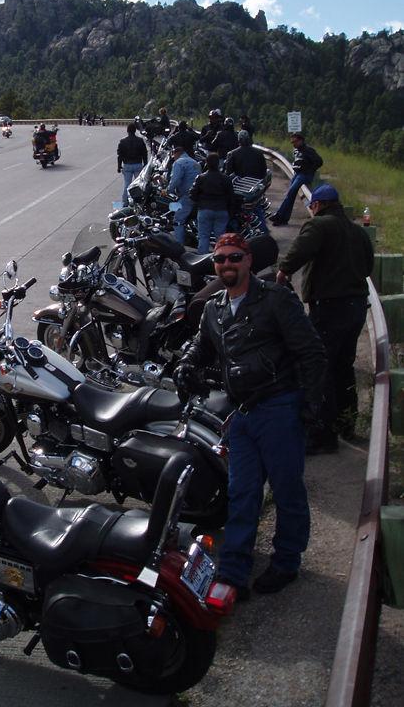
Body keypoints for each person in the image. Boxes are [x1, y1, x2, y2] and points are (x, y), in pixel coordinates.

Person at [175, 233, 327, 599]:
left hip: (279, 407)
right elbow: (203, 345)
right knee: (241, 494)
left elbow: (312, 353)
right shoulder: (215, 308)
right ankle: (233, 572)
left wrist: (310, 405)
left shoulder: (276, 299)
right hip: (242, 414)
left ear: (248, 261)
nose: (227, 264)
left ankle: (286, 562)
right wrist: (186, 364)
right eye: (220, 259)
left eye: (234, 257)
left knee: (287, 490)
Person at [276, 184, 374, 454]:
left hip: (329, 308)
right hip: (355, 308)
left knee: (322, 368)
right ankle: (347, 423)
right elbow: (368, 266)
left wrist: (283, 272)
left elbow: (299, 251)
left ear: (317, 205)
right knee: (345, 366)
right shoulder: (358, 232)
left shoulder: (319, 226)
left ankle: (322, 433)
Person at [271, 133, 323, 226]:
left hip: (304, 175)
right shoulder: (297, 150)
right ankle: (284, 217)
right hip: (298, 174)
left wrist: (309, 170)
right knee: (290, 194)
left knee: (291, 193)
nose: (294, 144)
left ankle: (280, 215)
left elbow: (319, 161)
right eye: (292, 143)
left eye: (296, 142)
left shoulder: (308, 150)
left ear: (301, 140)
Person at [225, 129, 270, 234]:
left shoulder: (233, 153)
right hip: (256, 185)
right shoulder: (258, 153)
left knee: (240, 211)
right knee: (258, 209)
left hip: (241, 188)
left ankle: (246, 232)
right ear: (249, 139)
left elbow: (228, 173)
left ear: (239, 140)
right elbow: (264, 170)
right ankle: (264, 231)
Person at [189, 152, 234, 254]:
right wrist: (230, 211)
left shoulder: (201, 178)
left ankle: (202, 259)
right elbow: (231, 197)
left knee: (203, 236)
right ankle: (221, 257)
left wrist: (199, 202)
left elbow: (192, 194)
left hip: (205, 209)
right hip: (221, 209)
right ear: (218, 163)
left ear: (206, 163)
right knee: (220, 237)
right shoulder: (226, 179)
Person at [163, 146, 201, 246]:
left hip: (187, 196)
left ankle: (179, 247)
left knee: (178, 220)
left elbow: (175, 180)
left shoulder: (178, 163)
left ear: (175, 155)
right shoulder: (195, 162)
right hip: (197, 195)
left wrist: (166, 191)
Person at [117, 122, 148, 206]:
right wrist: (145, 165)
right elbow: (144, 154)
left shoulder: (123, 141)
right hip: (138, 164)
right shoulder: (140, 141)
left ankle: (125, 202)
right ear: (135, 131)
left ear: (127, 131)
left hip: (127, 165)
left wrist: (119, 166)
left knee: (127, 184)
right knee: (139, 184)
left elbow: (120, 155)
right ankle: (138, 201)